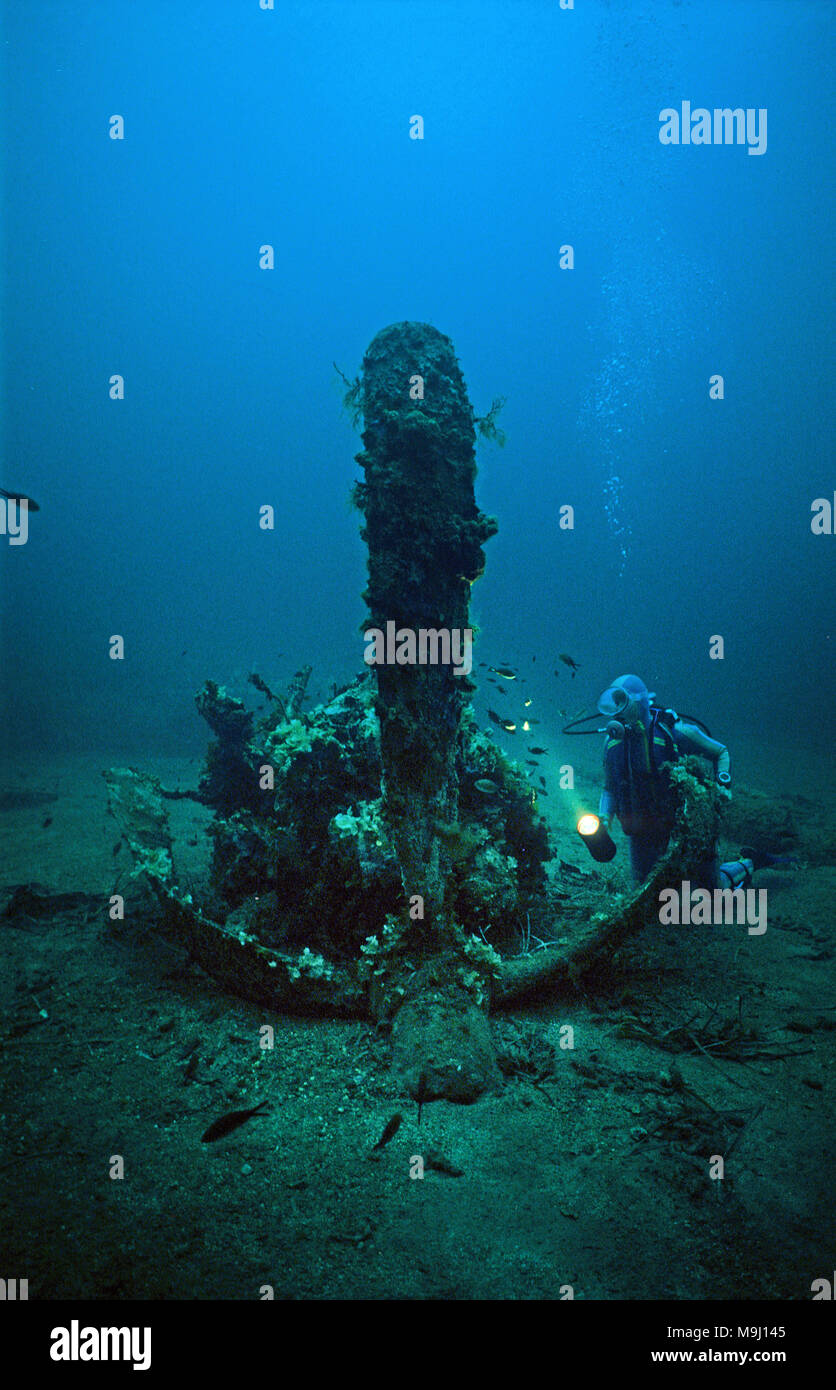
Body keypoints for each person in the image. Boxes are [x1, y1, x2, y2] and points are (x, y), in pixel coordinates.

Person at [596, 674, 786, 888]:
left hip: (687, 823)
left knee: (713, 889)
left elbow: (720, 752)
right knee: (641, 886)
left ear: (638, 703)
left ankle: (749, 862)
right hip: (644, 826)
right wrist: (604, 816)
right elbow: (610, 788)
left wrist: (723, 782)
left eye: (623, 702)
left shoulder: (675, 733)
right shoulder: (612, 744)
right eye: (616, 703)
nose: (619, 711)